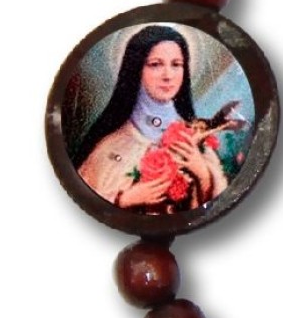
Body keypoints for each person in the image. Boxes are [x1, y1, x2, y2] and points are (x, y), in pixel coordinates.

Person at [73, 24, 228, 210]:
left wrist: (202, 173)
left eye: (176, 65)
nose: (168, 75)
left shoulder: (195, 137)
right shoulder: (110, 146)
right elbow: (84, 202)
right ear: (136, 69)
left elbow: (218, 206)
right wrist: (124, 200)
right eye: (155, 64)